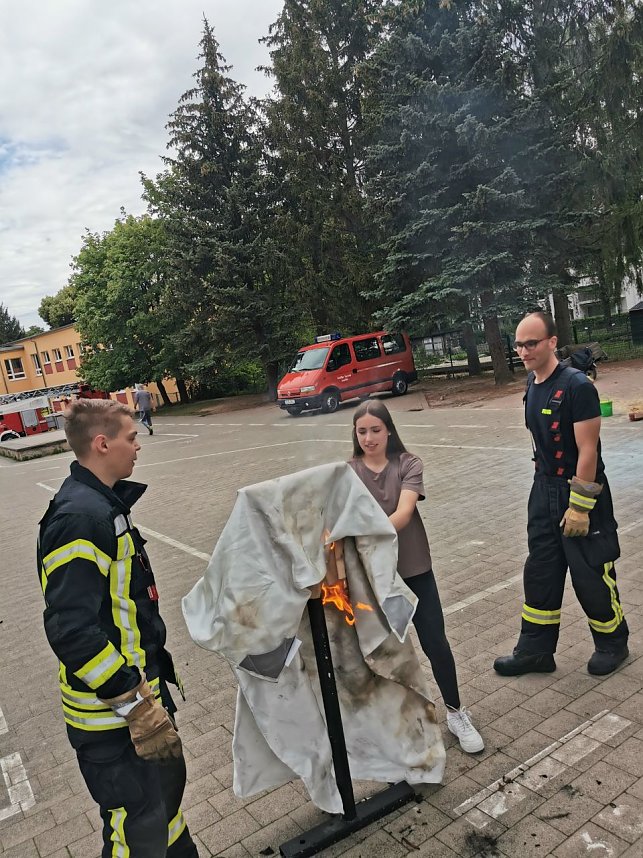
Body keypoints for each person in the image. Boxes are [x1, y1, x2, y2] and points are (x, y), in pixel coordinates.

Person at [37, 399, 199, 857]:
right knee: (137, 832)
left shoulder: (100, 505)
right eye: (132, 437)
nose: (138, 447)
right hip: (114, 717)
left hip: (135, 704)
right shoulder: (80, 518)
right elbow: (71, 630)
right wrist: (134, 704)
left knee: (162, 816)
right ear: (102, 443)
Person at [494, 311, 628, 678]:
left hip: (581, 493)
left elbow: (588, 451)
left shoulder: (577, 386)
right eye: (519, 344)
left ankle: (613, 643)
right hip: (543, 492)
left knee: (591, 573)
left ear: (552, 342)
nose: (524, 350)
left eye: (531, 343)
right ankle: (535, 651)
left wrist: (580, 508)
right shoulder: (531, 385)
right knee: (540, 572)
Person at [349, 400, 484, 754]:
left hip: (413, 568)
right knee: (382, 652)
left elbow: (404, 512)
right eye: (361, 431)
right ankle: (398, 726)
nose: (368, 438)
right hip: (370, 578)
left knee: (435, 641)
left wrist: (366, 533)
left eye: (375, 430)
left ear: (389, 430)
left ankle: (457, 713)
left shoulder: (408, 464)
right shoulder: (347, 472)